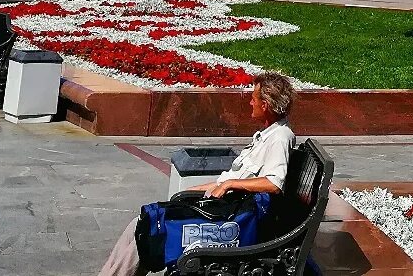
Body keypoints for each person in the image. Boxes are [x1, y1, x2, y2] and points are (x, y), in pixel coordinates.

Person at [98, 72, 297, 276]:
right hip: (226, 209)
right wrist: (199, 190)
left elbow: (274, 183)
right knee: (143, 222)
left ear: (265, 105)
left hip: (232, 218)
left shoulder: (279, 137)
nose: (249, 103)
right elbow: (233, 180)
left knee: (148, 227)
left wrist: (228, 185)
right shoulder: (269, 134)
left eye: (253, 98)